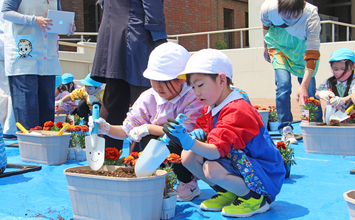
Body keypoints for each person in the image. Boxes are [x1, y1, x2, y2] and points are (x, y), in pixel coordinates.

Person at [163, 49, 285, 218]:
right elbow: (206, 129)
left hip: (264, 173)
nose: (196, 92)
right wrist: (200, 132)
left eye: (200, 85)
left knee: (211, 168)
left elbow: (215, 150)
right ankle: (229, 192)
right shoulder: (212, 104)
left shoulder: (237, 110)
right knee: (188, 156)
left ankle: (255, 198)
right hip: (240, 161)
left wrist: (186, 139)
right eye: (192, 87)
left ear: (221, 80)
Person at [89, 42, 204, 202]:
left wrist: (148, 127)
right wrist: (106, 128)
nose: (157, 86)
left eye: (163, 80)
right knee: (147, 139)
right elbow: (128, 130)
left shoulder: (193, 97)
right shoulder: (148, 98)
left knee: (170, 142)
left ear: (182, 79)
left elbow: (185, 133)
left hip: (190, 150)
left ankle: (188, 182)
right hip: (167, 148)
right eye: (153, 79)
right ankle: (162, 178)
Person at [90, 0, 167, 151]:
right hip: (139, 36)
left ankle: (105, 158)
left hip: (111, 35)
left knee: (113, 99)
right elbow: (152, 7)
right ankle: (137, 162)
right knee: (146, 101)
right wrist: (161, 39)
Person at [1, 0, 75, 130]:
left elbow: (57, 17)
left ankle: (46, 144)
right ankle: (29, 144)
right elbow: (5, 12)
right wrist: (33, 20)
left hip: (47, 57)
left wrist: (67, 26)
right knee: (27, 105)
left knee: (47, 105)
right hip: (23, 57)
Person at [261, 0, 323, 144]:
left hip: (301, 49)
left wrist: (304, 85)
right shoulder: (267, 8)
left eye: (295, 17)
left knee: (309, 90)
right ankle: (285, 128)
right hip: (278, 45)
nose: (290, 20)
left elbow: (312, 54)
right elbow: (266, 27)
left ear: (303, 8)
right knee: (283, 84)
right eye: (285, 16)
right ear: (278, 7)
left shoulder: (311, 17)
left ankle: (316, 125)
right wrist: (265, 46)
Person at [0, 0, 16, 139]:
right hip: (10, 45)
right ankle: (9, 128)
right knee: (12, 90)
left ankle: (7, 128)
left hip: (8, 45)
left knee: (5, 90)